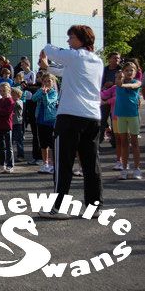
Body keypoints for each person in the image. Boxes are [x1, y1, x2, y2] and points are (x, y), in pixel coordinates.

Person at [38, 25, 104, 219]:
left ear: (82, 39)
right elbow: (65, 72)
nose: (68, 41)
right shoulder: (97, 61)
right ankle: (94, 207)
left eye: (71, 37)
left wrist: (45, 52)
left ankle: (58, 208)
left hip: (70, 116)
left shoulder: (75, 56)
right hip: (93, 116)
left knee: (63, 163)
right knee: (91, 164)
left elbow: (50, 49)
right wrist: (47, 67)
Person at [113, 62, 142, 180]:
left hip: (133, 116)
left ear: (135, 72)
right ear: (123, 72)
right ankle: (124, 169)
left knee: (134, 142)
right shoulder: (118, 81)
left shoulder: (137, 82)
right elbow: (118, 82)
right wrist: (120, 78)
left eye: (132, 70)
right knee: (124, 143)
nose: (129, 72)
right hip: (121, 116)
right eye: (127, 70)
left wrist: (122, 84)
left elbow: (132, 86)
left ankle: (137, 169)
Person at [32, 73, 58, 174]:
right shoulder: (40, 90)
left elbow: (48, 102)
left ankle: (53, 165)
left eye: (49, 81)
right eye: (45, 81)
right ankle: (45, 164)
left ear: (53, 82)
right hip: (40, 120)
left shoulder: (54, 93)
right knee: (43, 144)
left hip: (50, 120)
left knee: (52, 144)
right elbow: (34, 98)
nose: (46, 83)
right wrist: (41, 92)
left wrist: (45, 94)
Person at [0, 83, 15, 173]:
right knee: (1, 147)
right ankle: (1, 165)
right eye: (1, 91)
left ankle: (10, 165)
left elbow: (7, 112)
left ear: (9, 90)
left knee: (9, 147)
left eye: (4, 90)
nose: (2, 92)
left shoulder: (10, 101)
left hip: (7, 126)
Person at [100, 52, 121, 146]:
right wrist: (104, 86)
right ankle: (98, 140)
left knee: (114, 120)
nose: (117, 60)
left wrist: (112, 84)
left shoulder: (121, 70)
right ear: (109, 59)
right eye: (114, 58)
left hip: (116, 99)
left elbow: (123, 81)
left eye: (118, 58)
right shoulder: (104, 70)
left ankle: (115, 141)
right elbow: (99, 81)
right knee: (102, 119)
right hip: (104, 96)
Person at [100, 84, 123, 171]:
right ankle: (119, 161)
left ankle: (125, 162)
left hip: (126, 117)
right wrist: (97, 88)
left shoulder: (130, 86)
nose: (118, 79)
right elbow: (104, 95)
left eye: (120, 77)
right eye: (117, 78)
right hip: (115, 117)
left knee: (124, 140)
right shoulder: (114, 87)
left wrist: (106, 102)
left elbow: (117, 98)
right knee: (118, 141)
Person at [10, 87, 25, 164]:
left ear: (19, 95)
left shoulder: (20, 101)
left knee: (19, 140)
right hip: (11, 123)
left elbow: (17, 105)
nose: (12, 96)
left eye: (13, 95)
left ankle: (21, 156)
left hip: (18, 123)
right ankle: (10, 155)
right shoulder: (11, 101)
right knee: (10, 140)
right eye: (11, 94)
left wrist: (12, 100)